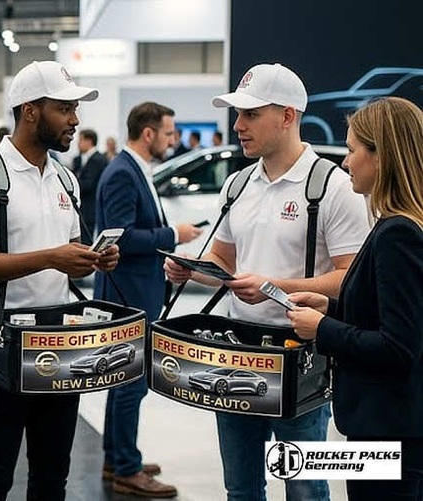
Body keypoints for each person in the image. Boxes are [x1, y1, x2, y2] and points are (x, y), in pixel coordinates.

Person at [164, 63, 371, 501]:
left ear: (288, 116)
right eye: (238, 114)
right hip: (236, 351)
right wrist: (191, 265)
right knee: (239, 487)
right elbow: (223, 257)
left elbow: (352, 277)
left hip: (300, 357)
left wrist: (274, 286)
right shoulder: (238, 185)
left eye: (251, 114)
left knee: (306, 487)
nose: (238, 126)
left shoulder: (331, 187)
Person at [0, 60, 118, 500]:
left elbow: (71, 252)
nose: (75, 120)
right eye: (65, 108)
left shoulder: (66, 178)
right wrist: (51, 258)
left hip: (61, 344)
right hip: (0, 346)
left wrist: (94, 258)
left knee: (51, 475)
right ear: (30, 110)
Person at [286, 97, 423, 501]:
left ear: (382, 155)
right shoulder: (400, 227)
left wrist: (324, 328)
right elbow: (394, 313)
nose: (345, 163)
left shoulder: (398, 235)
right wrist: (333, 307)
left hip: (390, 430)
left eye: (351, 150)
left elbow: (399, 346)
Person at [96, 101, 204, 498]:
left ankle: (116, 456)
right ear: (148, 133)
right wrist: (174, 234)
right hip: (129, 295)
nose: (172, 140)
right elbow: (121, 236)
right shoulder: (123, 173)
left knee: (122, 380)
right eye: (169, 133)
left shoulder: (132, 170)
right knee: (130, 383)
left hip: (136, 292)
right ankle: (126, 468)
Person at [73, 128, 109, 244]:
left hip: (90, 207)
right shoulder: (83, 159)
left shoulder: (96, 159)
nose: (78, 143)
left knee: (86, 240)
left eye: (81, 140)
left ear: (89, 141)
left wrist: (73, 185)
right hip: (88, 207)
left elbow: (88, 184)